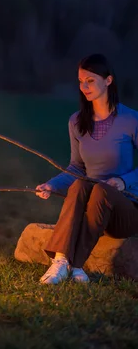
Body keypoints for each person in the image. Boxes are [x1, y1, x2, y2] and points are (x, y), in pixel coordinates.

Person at [36, 53, 138, 284]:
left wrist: (123, 182)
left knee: (102, 190)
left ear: (108, 81)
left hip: (126, 209)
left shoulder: (131, 120)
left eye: (90, 80)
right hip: (94, 209)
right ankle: (61, 261)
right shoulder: (76, 121)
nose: (84, 87)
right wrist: (51, 184)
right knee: (82, 184)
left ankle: (77, 263)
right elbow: (77, 168)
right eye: (81, 81)